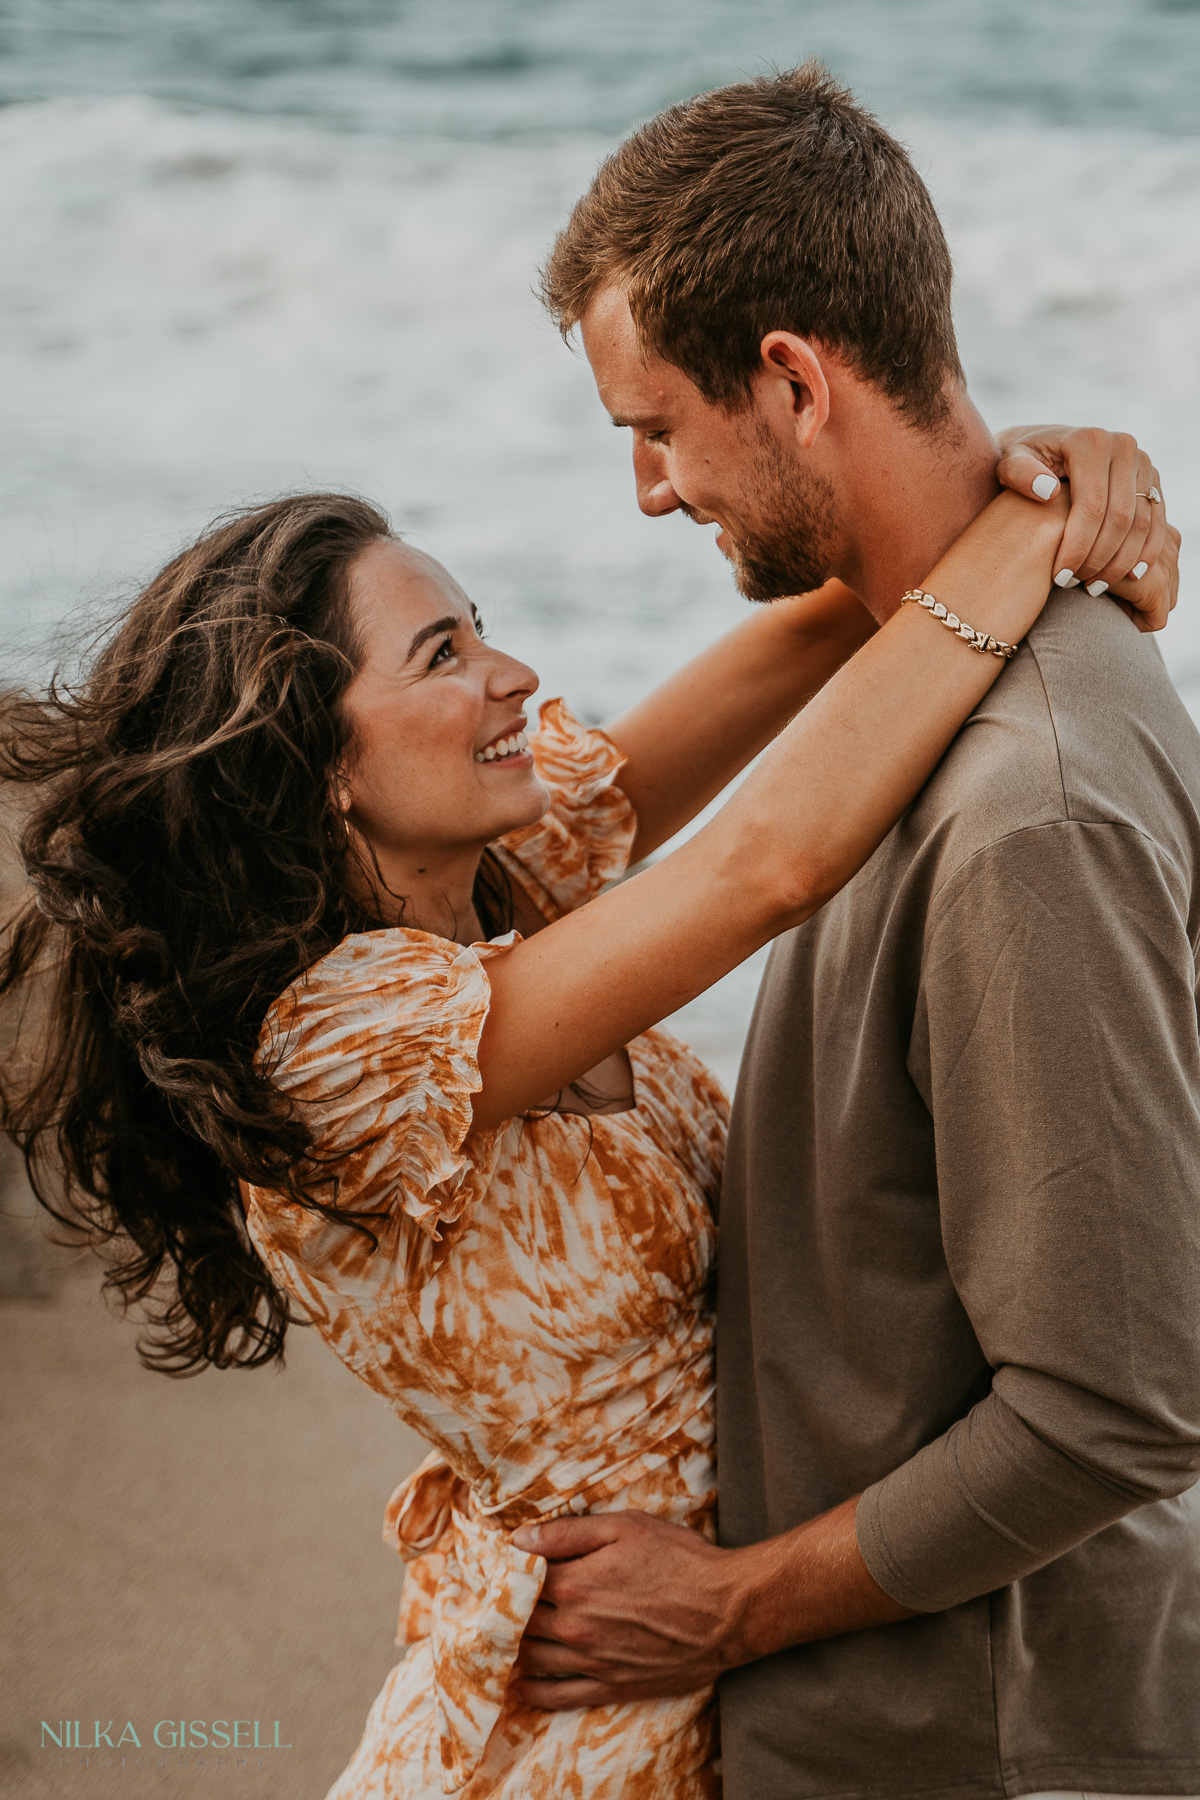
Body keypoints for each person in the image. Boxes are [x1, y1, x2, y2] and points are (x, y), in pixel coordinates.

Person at [0, 426, 1167, 1796]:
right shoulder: (337, 1047)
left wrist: (1034, 471)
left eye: (480, 628)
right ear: (321, 764)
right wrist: (1034, 538)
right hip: (583, 1710)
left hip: (733, 1645)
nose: (515, 676)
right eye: (444, 655)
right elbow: (768, 864)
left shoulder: (494, 883)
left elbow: (824, 629)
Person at [514, 59, 1198, 1800]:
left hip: (983, 1742)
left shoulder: (1025, 805)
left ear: (796, 379)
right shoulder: (921, 681)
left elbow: (1120, 1403)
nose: (651, 490)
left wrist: (728, 1608)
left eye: (655, 425)